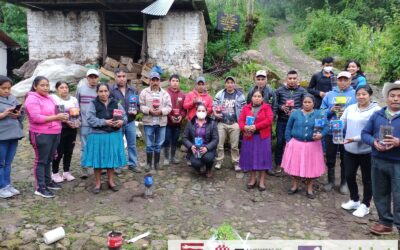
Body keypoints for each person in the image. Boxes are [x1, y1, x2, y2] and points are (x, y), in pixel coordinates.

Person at [361, 81, 400, 235]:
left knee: (399, 196)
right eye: (392, 96)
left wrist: (398, 142)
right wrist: (374, 143)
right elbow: (365, 133)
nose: (396, 99)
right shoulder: (377, 114)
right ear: (387, 98)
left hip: (398, 163)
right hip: (378, 160)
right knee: (380, 192)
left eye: (399, 96)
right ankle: (385, 222)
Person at [25, 76, 69, 198]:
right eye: (42, 85)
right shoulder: (32, 99)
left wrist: (63, 116)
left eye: (47, 85)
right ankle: (40, 187)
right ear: (35, 86)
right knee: (41, 160)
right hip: (41, 134)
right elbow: (36, 118)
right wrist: (56, 117)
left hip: (54, 133)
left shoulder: (50, 98)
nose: (45, 88)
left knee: (49, 159)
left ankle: (48, 181)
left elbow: (56, 112)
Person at [340, 85, 380, 217]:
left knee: (367, 179)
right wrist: (335, 127)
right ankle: (355, 199)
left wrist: (355, 138)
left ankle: (366, 205)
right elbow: (342, 122)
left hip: (367, 150)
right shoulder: (350, 108)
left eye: (364, 94)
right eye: (358, 94)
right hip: (349, 149)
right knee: (349, 175)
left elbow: (376, 132)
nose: (361, 97)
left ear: (370, 95)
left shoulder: (376, 111)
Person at [82, 83, 127, 194]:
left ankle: (111, 181)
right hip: (97, 136)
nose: (103, 93)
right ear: (97, 92)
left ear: (109, 91)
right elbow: (90, 118)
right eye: (101, 91)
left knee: (110, 160)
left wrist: (122, 121)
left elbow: (125, 116)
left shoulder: (115, 103)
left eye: (105, 91)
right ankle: (98, 183)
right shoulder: (93, 104)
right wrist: (104, 122)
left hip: (113, 135)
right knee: (98, 160)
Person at [281, 95, 328, 199]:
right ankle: (295, 185)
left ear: (314, 103)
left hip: (313, 146)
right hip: (296, 144)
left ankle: (309, 188)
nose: (307, 104)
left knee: (311, 167)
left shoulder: (319, 114)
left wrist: (321, 135)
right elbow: (288, 127)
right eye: (305, 102)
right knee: (295, 166)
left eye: (309, 102)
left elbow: (327, 126)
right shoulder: (295, 113)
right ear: (302, 103)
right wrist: (288, 141)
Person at [321, 71, 357, 194]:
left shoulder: (355, 94)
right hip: (331, 131)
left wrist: (347, 113)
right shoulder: (329, 94)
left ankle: (344, 182)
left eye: (345, 80)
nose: (342, 82)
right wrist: (330, 110)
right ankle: (330, 181)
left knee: (345, 158)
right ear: (337, 81)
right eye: (340, 80)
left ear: (350, 80)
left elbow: (359, 111)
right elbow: (321, 112)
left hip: (348, 132)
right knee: (330, 157)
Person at [273, 70, 307, 175]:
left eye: (294, 78)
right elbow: (275, 104)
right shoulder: (279, 91)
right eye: (290, 78)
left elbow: (307, 104)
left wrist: (297, 110)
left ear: (298, 79)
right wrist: (281, 107)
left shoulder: (302, 91)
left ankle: (294, 164)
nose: (292, 80)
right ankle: (278, 164)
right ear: (286, 79)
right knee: (280, 143)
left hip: (296, 122)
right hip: (282, 121)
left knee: (295, 144)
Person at [239, 89, 273, 191]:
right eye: (255, 96)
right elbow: (241, 120)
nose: (256, 98)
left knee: (263, 159)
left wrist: (256, 126)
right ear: (251, 97)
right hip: (249, 137)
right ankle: (253, 179)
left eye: (259, 96)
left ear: (262, 98)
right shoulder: (246, 108)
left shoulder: (267, 107)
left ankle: (262, 180)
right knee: (251, 157)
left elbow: (269, 120)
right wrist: (244, 127)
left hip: (262, 137)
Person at [139, 72, 172, 172]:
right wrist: (149, 110)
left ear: (159, 81)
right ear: (149, 81)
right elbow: (141, 105)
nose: (155, 82)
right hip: (149, 121)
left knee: (158, 144)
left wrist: (161, 111)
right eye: (153, 80)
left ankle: (156, 163)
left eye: (157, 80)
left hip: (161, 122)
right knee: (149, 144)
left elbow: (169, 107)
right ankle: (148, 164)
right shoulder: (144, 92)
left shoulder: (165, 94)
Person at [110, 68, 141, 173]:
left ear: (126, 77)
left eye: (123, 76)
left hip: (131, 121)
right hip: (118, 122)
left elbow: (138, 105)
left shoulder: (133, 90)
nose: (121, 79)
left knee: (132, 144)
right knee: (118, 144)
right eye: (119, 76)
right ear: (115, 77)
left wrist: (136, 110)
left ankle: (132, 163)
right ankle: (118, 166)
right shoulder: (111, 90)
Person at [213, 76, 246, 171]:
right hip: (221, 122)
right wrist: (215, 113)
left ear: (234, 84)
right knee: (219, 144)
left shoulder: (240, 95)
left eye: (231, 82)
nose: (230, 84)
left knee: (235, 145)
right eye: (228, 82)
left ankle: (236, 162)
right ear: (225, 84)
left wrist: (241, 122)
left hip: (234, 123)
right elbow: (214, 105)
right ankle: (219, 161)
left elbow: (244, 109)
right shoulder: (220, 94)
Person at [50, 81, 80, 182]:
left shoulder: (73, 99)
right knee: (59, 151)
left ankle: (66, 172)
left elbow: (77, 113)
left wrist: (77, 122)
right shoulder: (55, 99)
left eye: (66, 87)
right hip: (60, 128)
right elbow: (58, 115)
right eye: (61, 87)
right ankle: (55, 173)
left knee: (69, 151)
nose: (64, 89)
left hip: (72, 128)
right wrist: (67, 122)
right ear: (57, 89)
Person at [0, 76, 24, 198]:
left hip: (13, 135)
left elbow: (21, 116)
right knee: (0, 163)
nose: (6, 91)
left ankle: (7, 184)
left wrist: (18, 114)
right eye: (3, 88)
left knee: (8, 162)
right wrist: (3, 114)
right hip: (1, 136)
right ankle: (1, 187)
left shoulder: (13, 98)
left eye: (9, 88)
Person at [183, 104, 218, 178]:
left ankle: (208, 169)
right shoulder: (190, 123)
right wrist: (191, 146)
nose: (201, 112)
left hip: (208, 148)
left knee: (208, 158)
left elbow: (216, 139)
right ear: (196, 112)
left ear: (206, 112)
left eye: (203, 110)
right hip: (195, 149)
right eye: (199, 110)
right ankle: (198, 167)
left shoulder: (212, 123)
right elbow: (185, 138)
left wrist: (207, 148)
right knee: (195, 163)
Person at [76, 69, 100, 179]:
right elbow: (76, 105)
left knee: (98, 146)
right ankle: (84, 168)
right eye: (91, 77)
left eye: (95, 77)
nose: (93, 79)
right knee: (84, 147)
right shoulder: (80, 90)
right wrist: (78, 119)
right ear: (87, 78)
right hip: (84, 123)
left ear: (98, 78)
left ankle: (99, 166)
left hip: (97, 124)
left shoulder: (100, 90)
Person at [163, 74, 186, 165]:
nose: (175, 83)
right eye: (173, 81)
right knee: (167, 139)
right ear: (169, 82)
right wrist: (170, 116)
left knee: (175, 139)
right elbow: (163, 107)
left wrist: (181, 116)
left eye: (177, 81)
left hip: (178, 122)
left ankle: (172, 157)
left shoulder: (182, 95)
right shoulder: (165, 93)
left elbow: (184, 109)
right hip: (167, 122)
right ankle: (166, 158)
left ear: (179, 83)